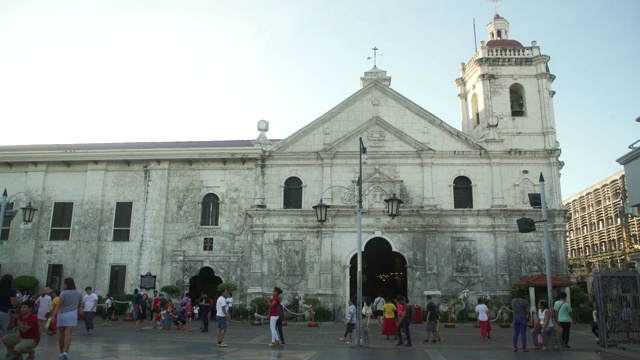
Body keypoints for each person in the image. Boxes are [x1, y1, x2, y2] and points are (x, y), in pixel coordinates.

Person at [53, 277, 83, 360]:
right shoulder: (78, 293)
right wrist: (79, 308)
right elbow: (81, 301)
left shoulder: (64, 293)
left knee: (62, 334)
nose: (63, 285)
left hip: (62, 314)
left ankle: (61, 351)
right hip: (72, 314)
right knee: (68, 334)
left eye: (64, 284)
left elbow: (59, 305)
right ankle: (66, 351)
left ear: (67, 284)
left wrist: (53, 315)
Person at [0, 274, 18, 338]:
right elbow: (13, 303)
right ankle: (8, 347)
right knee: (6, 332)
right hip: (5, 312)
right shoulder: (11, 291)